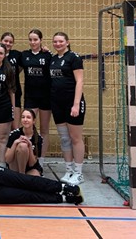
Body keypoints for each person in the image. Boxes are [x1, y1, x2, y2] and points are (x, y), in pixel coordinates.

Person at [49, 31, 86, 185]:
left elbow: (80, 81)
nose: (58, 44)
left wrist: (76, 104)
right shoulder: (52, 59)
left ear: (67, 42)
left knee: (75, 138)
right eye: (55, 41)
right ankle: (69, 170)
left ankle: (78, 173)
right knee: (64, 138)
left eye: (61, 41)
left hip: (72, 103)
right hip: (57, 103)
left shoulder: (74, 58)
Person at [19, 28, 52, 165]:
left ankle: (41, 161)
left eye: (35, 39)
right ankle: (28, 159)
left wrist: (49, 51)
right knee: (28, 128)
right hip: (30, 96)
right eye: (30, 39)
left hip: (45, 97)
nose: (33, 42)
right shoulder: (24, 55)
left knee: (44, 129)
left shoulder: (47, 55)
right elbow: (13, 69)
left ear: (41, 40)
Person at [5, 108, 43, 176]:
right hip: (15, 166)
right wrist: (15, 143)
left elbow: (32, 164)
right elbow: (7, 160)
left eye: (28, 117)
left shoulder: (38, 138)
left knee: (36, 178)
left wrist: (30, 145)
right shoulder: (14, 134)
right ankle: (21, 176)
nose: (25, 120)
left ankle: (22, 178)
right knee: (23, 146)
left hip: (29, 168)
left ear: (34, 121)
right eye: (23, 117)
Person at [0, 32, 23, 129]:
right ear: (1, 41)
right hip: (0, 95)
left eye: (10, 42)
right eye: (5, 41)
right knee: (4, 128)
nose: (8, 43)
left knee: (15, 127)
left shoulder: (17, 55)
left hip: (15, 93)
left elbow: (29, 62)